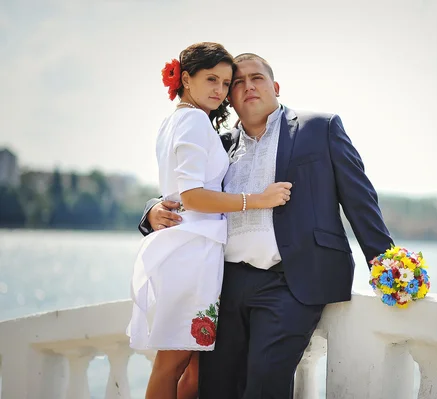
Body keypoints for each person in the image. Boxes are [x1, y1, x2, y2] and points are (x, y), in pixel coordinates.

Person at [139, 52, 394, 399]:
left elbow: (360, 201)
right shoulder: (221, 143)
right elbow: (187, 192)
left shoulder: (319, 127)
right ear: (230, 99)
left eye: (256, 78)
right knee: (215, 388)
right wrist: (152, 210)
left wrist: (388, 266)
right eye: (236, 83)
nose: (247, 87)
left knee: (264, 385)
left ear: (274, 86)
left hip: (290, 282)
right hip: (224, 284)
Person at [127, 44, 292, 399]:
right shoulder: (191, 119)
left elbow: (177, 189)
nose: (220, 90)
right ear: (186, 78)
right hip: (190, 252)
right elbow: (191, 195)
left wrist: (157, 207)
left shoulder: (178, 120)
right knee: (172, 363)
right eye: (211, 79)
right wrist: (258, 200)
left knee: (194, 365)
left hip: (198, 251)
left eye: (224, 82)